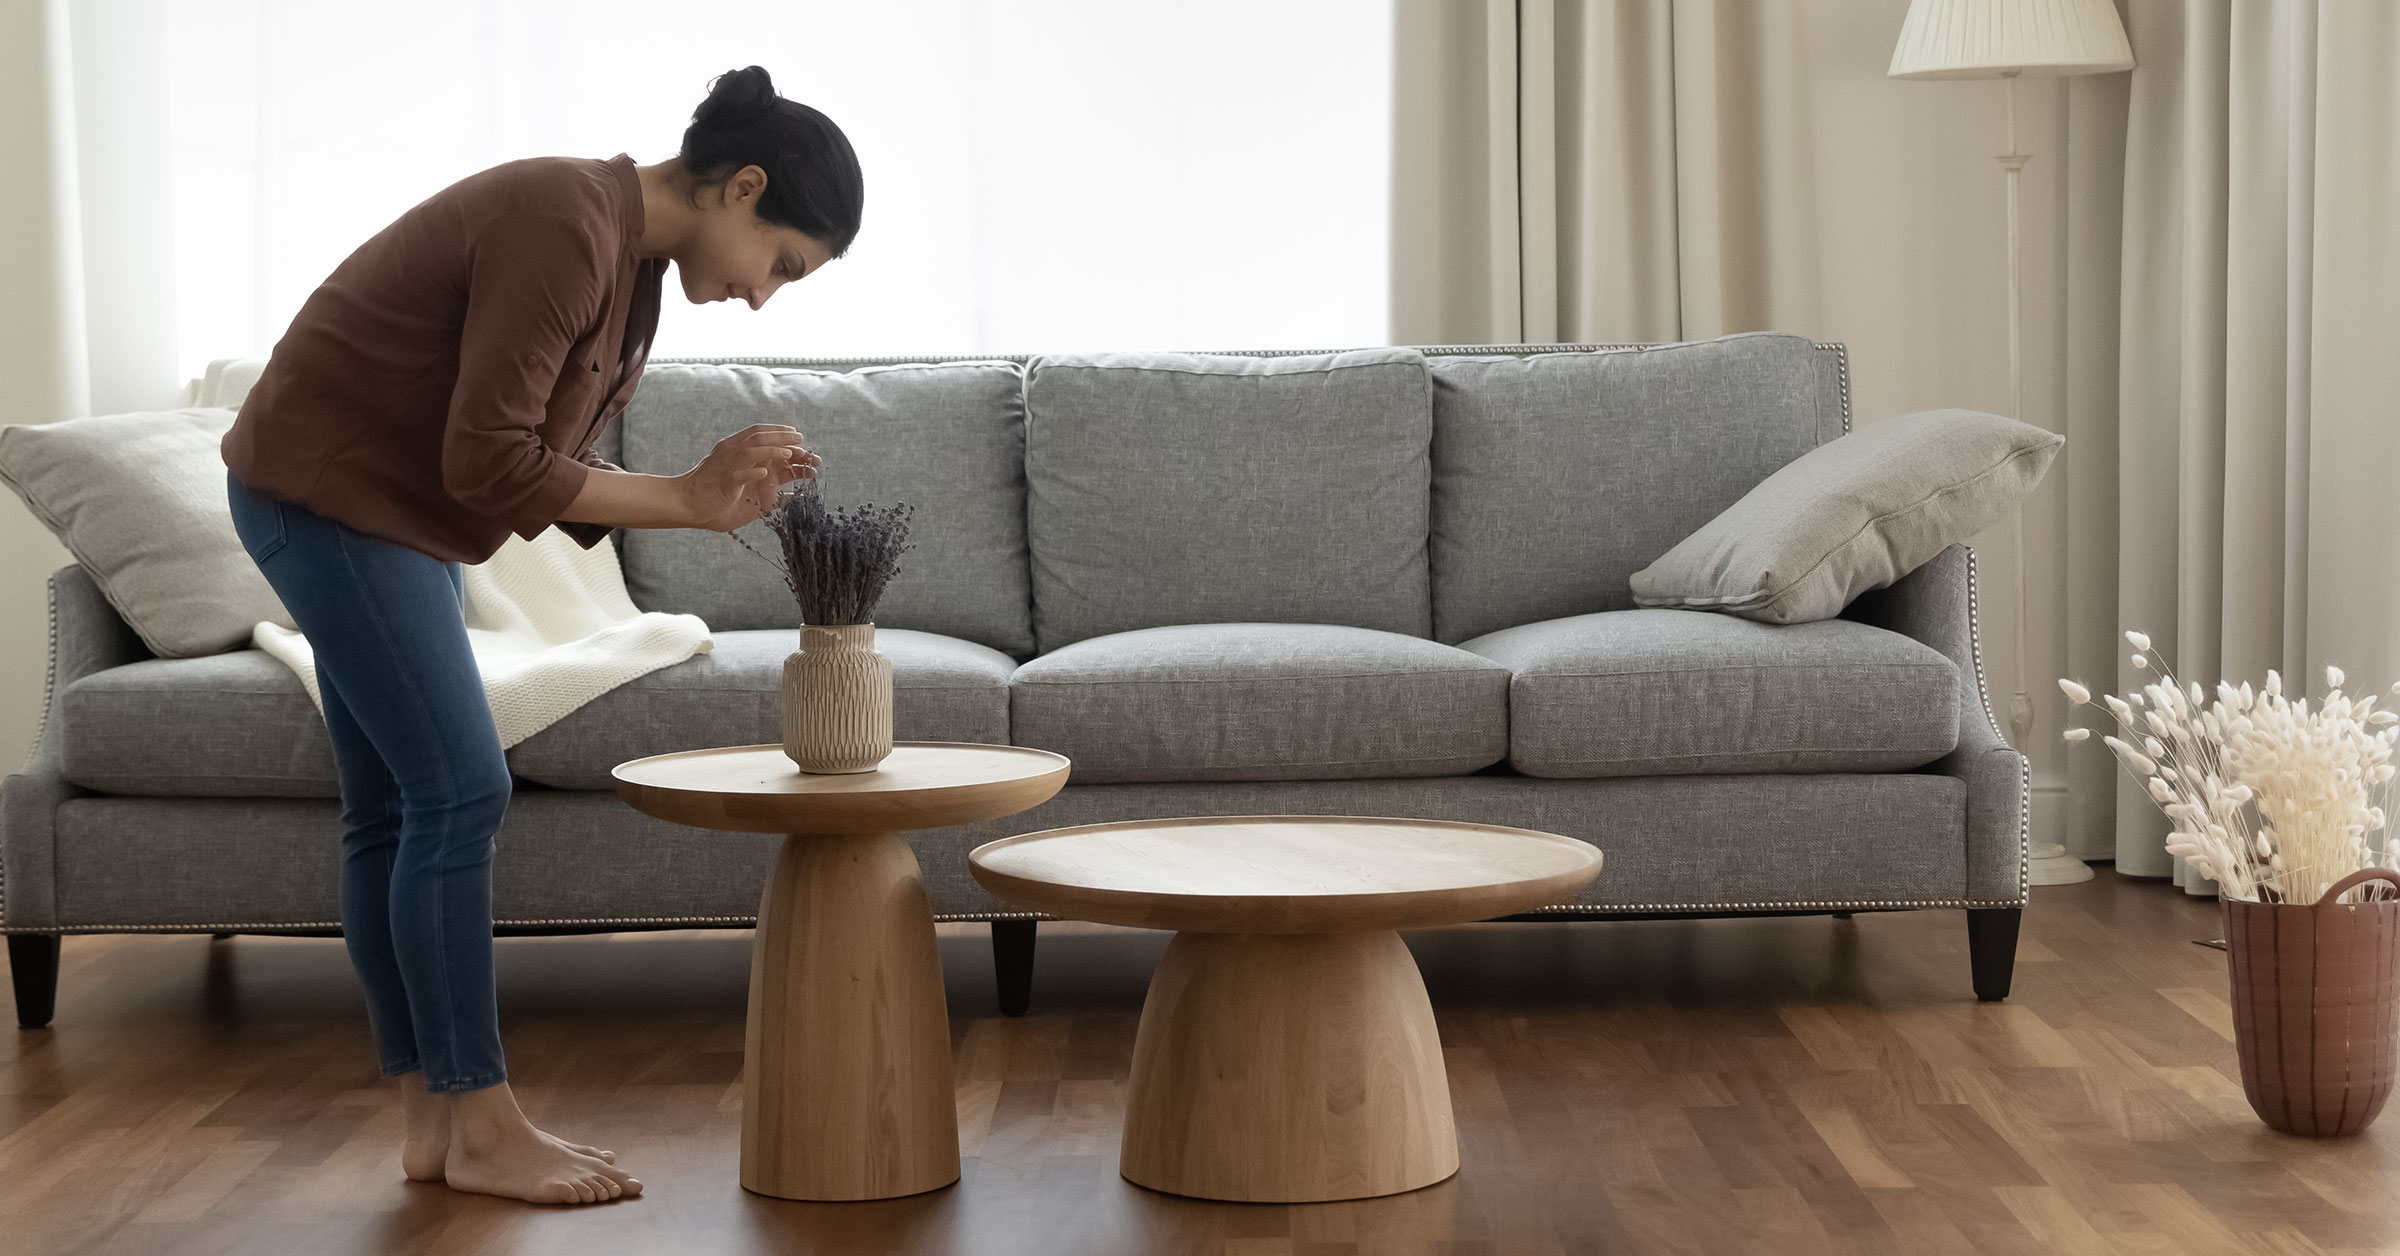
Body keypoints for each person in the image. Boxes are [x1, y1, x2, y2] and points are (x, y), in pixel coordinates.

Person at [217, 65, 862, 1206]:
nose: (766, 297)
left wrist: (701, 499)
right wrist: (684, 494)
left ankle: (435, 1123)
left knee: (399, 805)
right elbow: (490, 462)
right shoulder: (562, 220)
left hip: (389, 511)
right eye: (782, 264)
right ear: (742, 187)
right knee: (461, 793)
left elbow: (546, 461)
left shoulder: (632, 266)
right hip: (328, 497)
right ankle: (483, 1114)